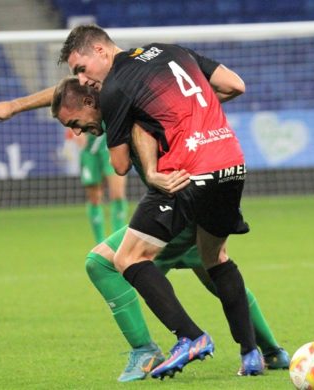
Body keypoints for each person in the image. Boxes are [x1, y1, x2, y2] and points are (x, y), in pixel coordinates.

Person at [0, 80, 289, 381]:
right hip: (197, 196)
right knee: (216, 271)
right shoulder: (118, 100)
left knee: (102, 263)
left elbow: (118, 162)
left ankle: (149, 350)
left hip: (176, 203)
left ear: (92, 98)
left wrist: (15, 107)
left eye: (74, 123)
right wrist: (13, 106)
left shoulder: (121, 106)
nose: (75, 131)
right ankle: (271, 351)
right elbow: (65, 93)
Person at [58, 25, 263, 378]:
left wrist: (131, 126)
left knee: (127, 258)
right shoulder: (172, 51)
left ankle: (190, 336)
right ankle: (252, 353)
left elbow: (121, 166)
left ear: (100, 50)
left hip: (186, 171)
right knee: (214, 257)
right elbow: (234, 85)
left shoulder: (117, 86)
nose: (83, 78)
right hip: (230, 160)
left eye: (81, 68)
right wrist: (190, 115)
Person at [0, 89, 127, 244]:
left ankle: (118, 241)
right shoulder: (82, 87)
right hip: (88, 151)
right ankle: (100, 242)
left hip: (109, 146)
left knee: (117, 193)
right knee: (94, 196)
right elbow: (71, 109)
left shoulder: (108, 86)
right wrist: (72, 134)